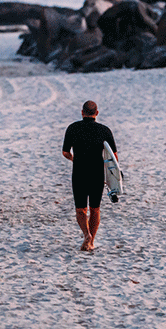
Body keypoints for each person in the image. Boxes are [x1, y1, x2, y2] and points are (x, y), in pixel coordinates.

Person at [62, 100, 117, 251]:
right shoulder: (105, 130)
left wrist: (74, 159)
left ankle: (86, 234)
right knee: (95, 209)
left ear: (82, 112)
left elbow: (65, 152)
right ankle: (91, 241)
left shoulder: (73, 128)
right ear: (97, 113)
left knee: (81, 209)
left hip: (79, 174)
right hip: (96, 175)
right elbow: (114, 158)